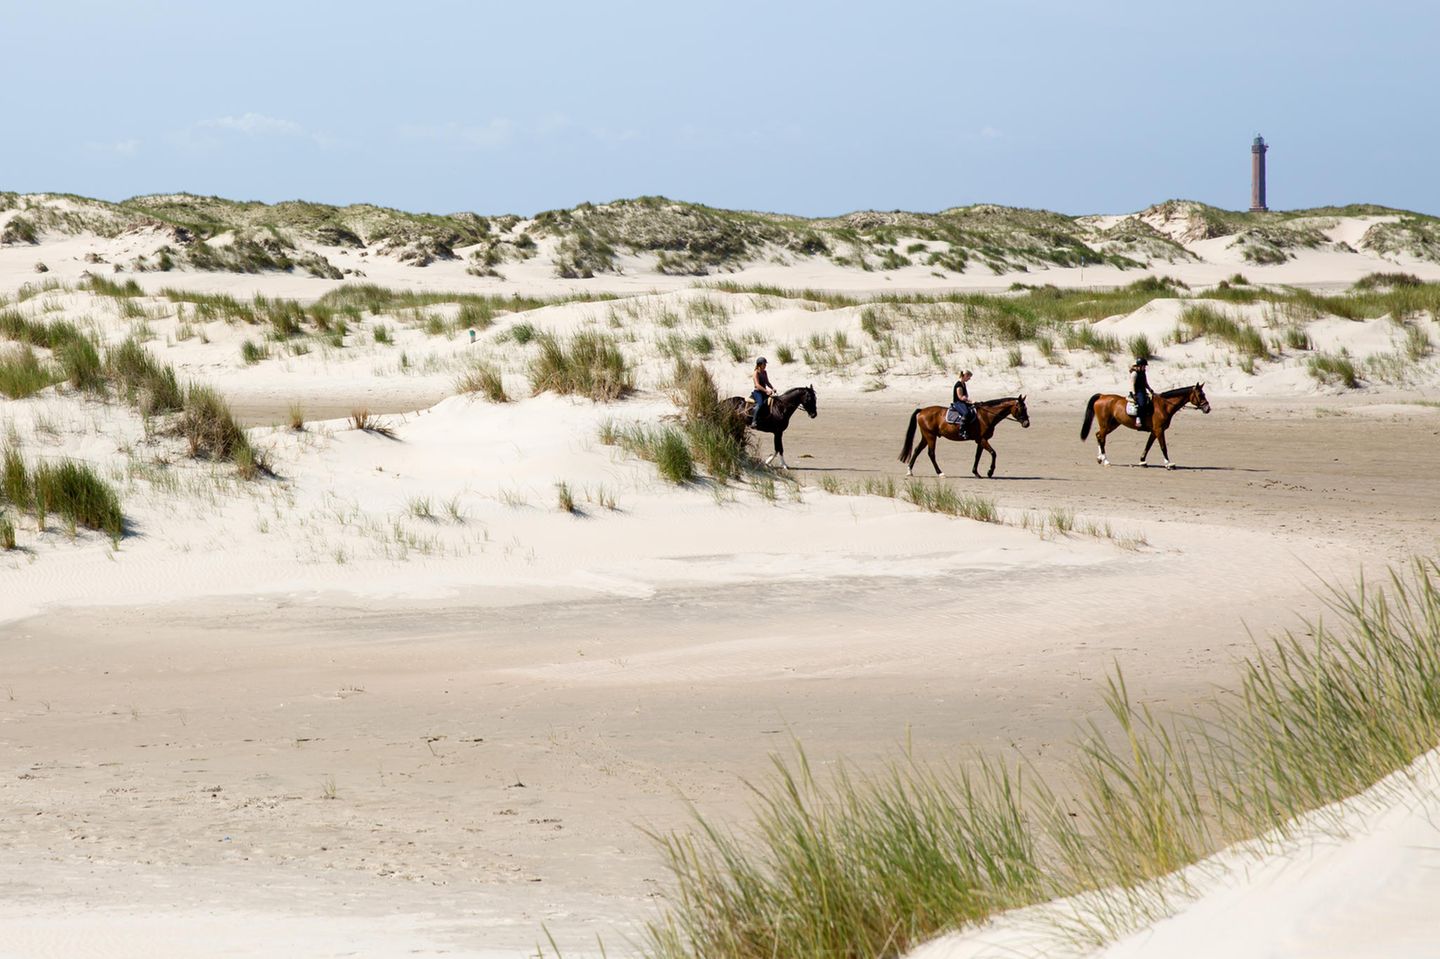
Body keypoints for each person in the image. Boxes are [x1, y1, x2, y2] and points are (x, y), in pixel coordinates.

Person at [751, 357, 776, 427]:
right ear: (759, 364)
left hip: (764, 392)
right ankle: (754, 421)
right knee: (760, 404)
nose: (765, 365)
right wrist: (766, 391)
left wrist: (772, 388)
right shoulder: (756, 373)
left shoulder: (764, 372)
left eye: (765, 364)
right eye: (764, 364)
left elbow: (767, 382)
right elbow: (757, 385)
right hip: (757, 392)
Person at [949, 370, 974, 437]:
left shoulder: (963, 384)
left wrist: (969, 401)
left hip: (963, 402)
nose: (969, 379)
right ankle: (962, 430)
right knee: (966, 413)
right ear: (965, 376)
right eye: (969, 377)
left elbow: (965, 395)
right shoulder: (958, 385)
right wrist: (971, 401)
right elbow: (960, 397)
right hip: (958, 403)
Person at [1130, 357, 1153, 426]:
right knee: (1142, 403)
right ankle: (1138, 419)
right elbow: (1132, 384)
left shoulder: (1143, 372)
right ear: (1140, 365)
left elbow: (1145, 383)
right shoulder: (1134, 373)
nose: (1145, 367)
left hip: (1143, 391)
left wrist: (1150, 389)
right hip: (1137, 392)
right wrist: (1134, 394)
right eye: (1144, 366)